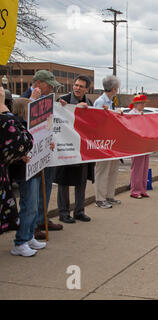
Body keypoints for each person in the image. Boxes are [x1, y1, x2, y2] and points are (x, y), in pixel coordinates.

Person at [20, 70, 63, 238]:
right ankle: (31, 227)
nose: (52, 89)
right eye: (49, 85)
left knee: (45, 188)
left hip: (45, 151)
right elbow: (21, 122)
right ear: (38, 83)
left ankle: (41, 219)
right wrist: (32, 101)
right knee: (32, 194)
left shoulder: (48, 100)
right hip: (31, 156)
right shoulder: (24, 99)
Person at [55, 75, 95, 223]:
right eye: (76, 85)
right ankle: (64, 213)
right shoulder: (63, 100)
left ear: (87, 89)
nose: (77, 88)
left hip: (81, 148)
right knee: (63, 182)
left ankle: (79, 211)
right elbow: (57, 119)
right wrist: (72, 109)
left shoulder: (89, 102)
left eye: (81, 86)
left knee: (81, 181)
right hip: (65, 147)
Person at [1, 88, 34, 241]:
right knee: (28, 205)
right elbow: (24, 143)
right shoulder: (10, 122)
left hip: (17, 171)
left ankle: (28, 235)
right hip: (19, 172)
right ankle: (22, 240)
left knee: (31, 205)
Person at [93, 75, 122, 208]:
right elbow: (98, 122)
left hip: (112, 140)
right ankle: (100, 198)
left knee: (112, 169)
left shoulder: (111, 102)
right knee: (102, 170)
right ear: (114, 88)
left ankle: (110, 195)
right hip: (103, 141)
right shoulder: (101, 102)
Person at [128, 94, 151, 199]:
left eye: (144, 103)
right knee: (137, 167)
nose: (143, 105)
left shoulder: (141, 113)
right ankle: (135, 190)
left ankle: (142, 189)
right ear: (136, 104)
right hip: (136, 143)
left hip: (144, 143)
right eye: (141, 103)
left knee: (144, 167)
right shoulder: (131, 114)